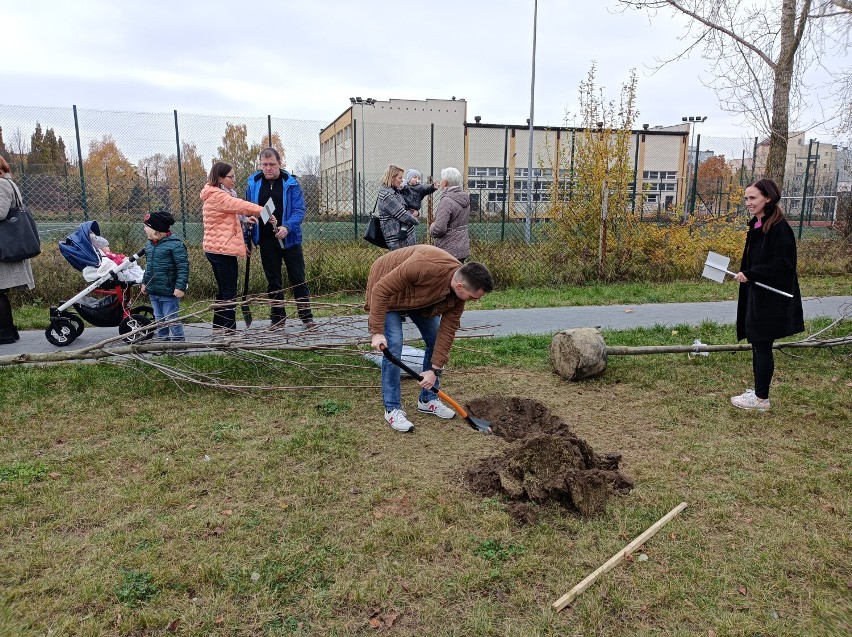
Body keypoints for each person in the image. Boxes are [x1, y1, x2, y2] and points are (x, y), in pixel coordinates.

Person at [366, 245, 494, 432]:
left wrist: (434, 369)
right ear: (460, 286)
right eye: (473, 297)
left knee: (434, 339)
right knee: (393, 345)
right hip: (387, 290)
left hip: (420, 295)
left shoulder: (458, 295)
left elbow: (447, 330)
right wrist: (377, 332)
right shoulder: (423, 265)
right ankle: (392, 408)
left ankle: (428, 399)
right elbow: (380, 290)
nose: (474, 301)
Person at [731, 178, 804, 412]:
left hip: (772, 298)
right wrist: (748, 275)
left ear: (768, 198)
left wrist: (752, 274)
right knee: (758, 343)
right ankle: (759, 392)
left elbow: (783, 265)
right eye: (746, 198)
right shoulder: (757, 224)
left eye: (753, 198)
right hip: (757, 295)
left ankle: (761, 400)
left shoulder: (780, 228)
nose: (748, 202)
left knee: (762, 344)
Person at [245, 148, 315, 329]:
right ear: (260, 165)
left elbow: (299, 211)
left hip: (290, 239)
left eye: (272, 165)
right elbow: (248, 208)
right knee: (273, 281)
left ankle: (307, 318)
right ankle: (278, 319)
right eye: (264, 165)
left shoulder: (291, 183)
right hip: (267, 240)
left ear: (280, 163)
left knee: (298, 278)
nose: (268, 168)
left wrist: (287, 227)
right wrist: (249, 218)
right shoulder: (253, 183)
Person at [201, 162, 262, 333]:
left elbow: (226, 216)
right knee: (229, 293)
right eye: (231, 177)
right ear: (220, 178)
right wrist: (265, 212)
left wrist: (243, 220)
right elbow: (241, 206)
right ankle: (229, 331)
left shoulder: (219, 194)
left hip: (218, 247)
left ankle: (219, 327)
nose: (234, 179)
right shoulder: (218, 195)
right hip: (221, 250)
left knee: (223, 291)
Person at [0, 156, 35, 344]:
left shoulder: (1, 184)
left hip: (4, 246)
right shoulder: (8, 182)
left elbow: (1, 212)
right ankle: (9, 331)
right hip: (6, 244)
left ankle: (5, 333)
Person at [141, 210, 189, 341]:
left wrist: (180, 287)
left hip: (169, 291)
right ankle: (163, 341)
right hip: (154, 290)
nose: (144, 229)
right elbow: (148, 266)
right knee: (158, 317)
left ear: (156, 229)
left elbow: (183, 268)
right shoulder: (149, 245)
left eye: (146, 226)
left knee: (171, 318)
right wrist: (145, 283)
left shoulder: (175, 245)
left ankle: (179, 343)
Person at [429, 167, 471, 262]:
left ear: (445, 182)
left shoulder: (446, 201)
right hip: (462, 247)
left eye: (442, 179)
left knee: (445, 276)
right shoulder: (465, 198)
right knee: (458, 275)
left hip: (448, 249)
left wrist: (432, 227)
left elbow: (439, 229)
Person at [377, 165, 420, 250]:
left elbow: (405, 210)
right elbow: (403, 215)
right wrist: (416, 218)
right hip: (398, 239)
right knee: (400, 262)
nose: (402, 181)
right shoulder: (387, 195)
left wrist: (415, 212)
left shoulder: (395, 191)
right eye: (400, 178)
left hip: (403, 237)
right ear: (392, 177)